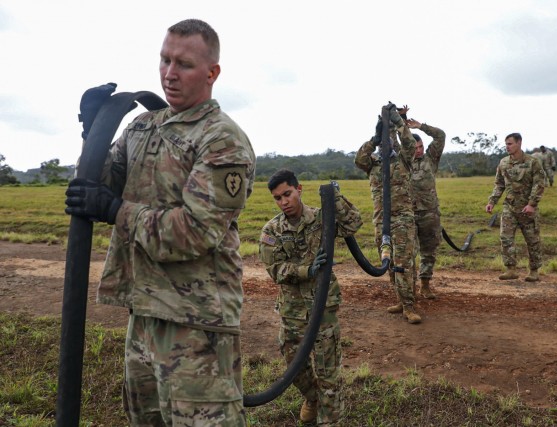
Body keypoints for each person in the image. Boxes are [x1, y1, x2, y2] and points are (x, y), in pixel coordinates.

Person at [65, 19, 255, 426]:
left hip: (196, 322)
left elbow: (194, 231)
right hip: (145, 313)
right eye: (165, 60)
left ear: (211, 73)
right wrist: (91, 132)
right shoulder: (142, 126)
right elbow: (95, 188)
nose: (170, 73)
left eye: (183, 64)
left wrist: (117, 211)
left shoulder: (222, 139)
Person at [258, 169, 362, 425]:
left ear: (299, 189)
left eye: (287, 194)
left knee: (329, 375)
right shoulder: (271, 230)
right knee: (294, 366)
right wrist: (307, 270)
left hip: (322, 307)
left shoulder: (321, 218)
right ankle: (312, 398)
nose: (284, 202)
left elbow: (353, 224)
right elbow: (275, 270)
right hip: (292, 312)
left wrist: (334, 197)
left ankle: (329, 420)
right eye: (277, 198)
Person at [354, 104, 422, 324]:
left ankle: (409, 307)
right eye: (384, 138)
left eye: (389, 138)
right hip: (381, 222)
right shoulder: (373, 164)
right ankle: (400, 300)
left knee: (403, 262)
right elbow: (358, 159)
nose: (386, 142)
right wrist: (373, 139)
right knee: (388, 263)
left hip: (402, 220)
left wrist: (399, 123)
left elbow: (410, 144)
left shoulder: (402, 160)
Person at [485, 133, 545, 282]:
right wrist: (492, 201)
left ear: (519, 143)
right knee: (506, 238)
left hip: (527, 208)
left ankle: (534, 271)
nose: (507, 147)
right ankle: (511, 269)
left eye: (510, 144)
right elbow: (499, 184)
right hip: (509, 207)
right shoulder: (504, 162)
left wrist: (531, 204)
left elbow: (539, 184)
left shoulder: (533, 162)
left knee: (532, 240)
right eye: (506, 144)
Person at [406, 119, 446, 300]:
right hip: (407, 215)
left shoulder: (430, 158)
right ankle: (408, 289)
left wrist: (421, 126)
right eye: (415, 147)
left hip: (429, 213)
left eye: (421, 146)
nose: (419, 150)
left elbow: (440, 136)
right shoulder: (402, 163)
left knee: (429, 251)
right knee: (407, 253)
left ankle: (425, 285)